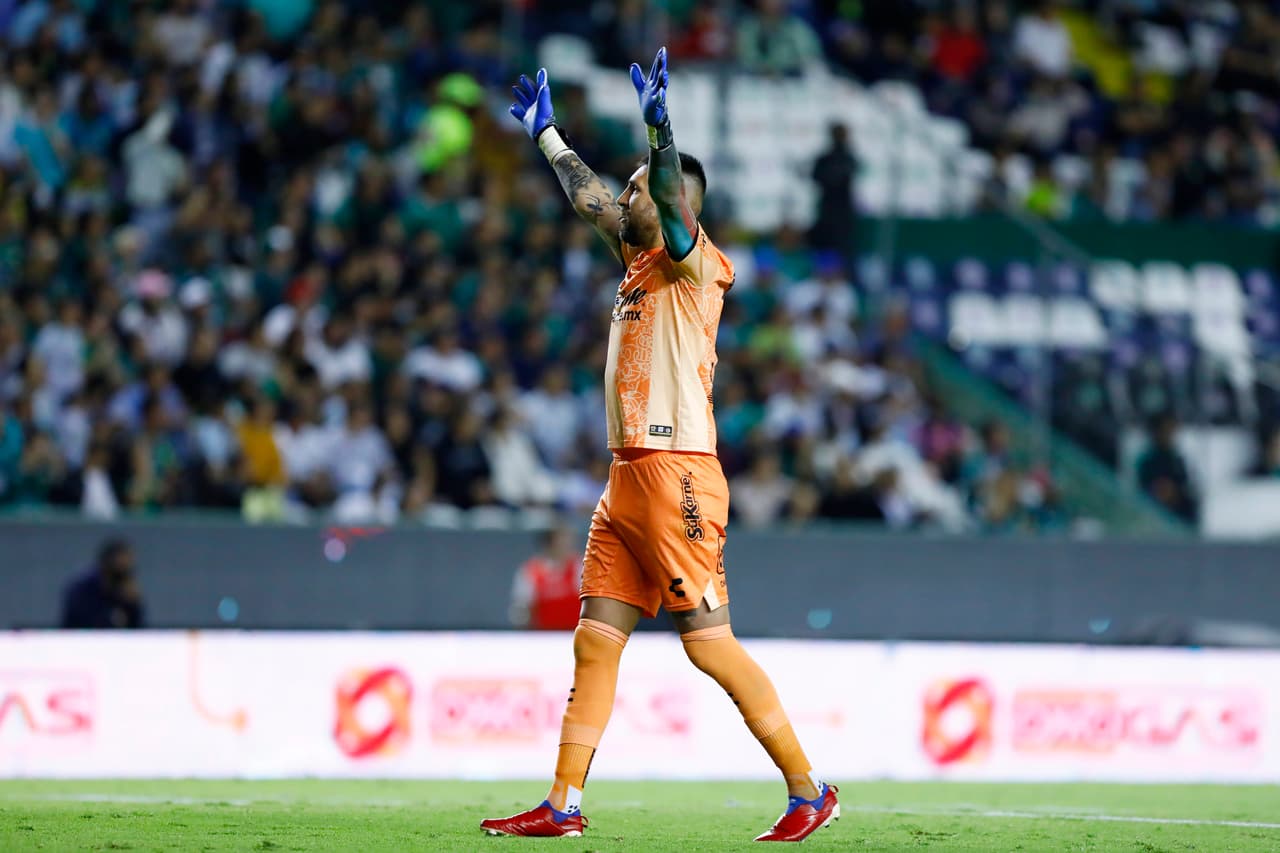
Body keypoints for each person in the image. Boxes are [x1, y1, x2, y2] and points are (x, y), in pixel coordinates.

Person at [482, 48, 837, 843]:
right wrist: (549, 138)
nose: (627, 193)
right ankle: (564, 803)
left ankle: (808, 789)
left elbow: (663, 194)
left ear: (678, 203)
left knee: (709, 647)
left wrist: (658, 126)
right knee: (594, 638)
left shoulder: (692, 262)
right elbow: (591, 202)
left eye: (640, 186)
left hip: (677, 473)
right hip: (625, 480)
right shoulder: (640, 263)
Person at [509, 526, 583, 630]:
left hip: (574, 634)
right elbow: (523, 609)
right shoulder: (530, 572)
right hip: (544, 638)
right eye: (562, 541)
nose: (567, 545)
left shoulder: (580, 567)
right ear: (550, 543)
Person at [60, 539, 146, 629]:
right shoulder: (81, 588)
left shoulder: (127, 589)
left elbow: (137, 628)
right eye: (121, 565)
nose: (125, 568)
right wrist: (112, 619)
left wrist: (133, 604)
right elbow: (80, 621)